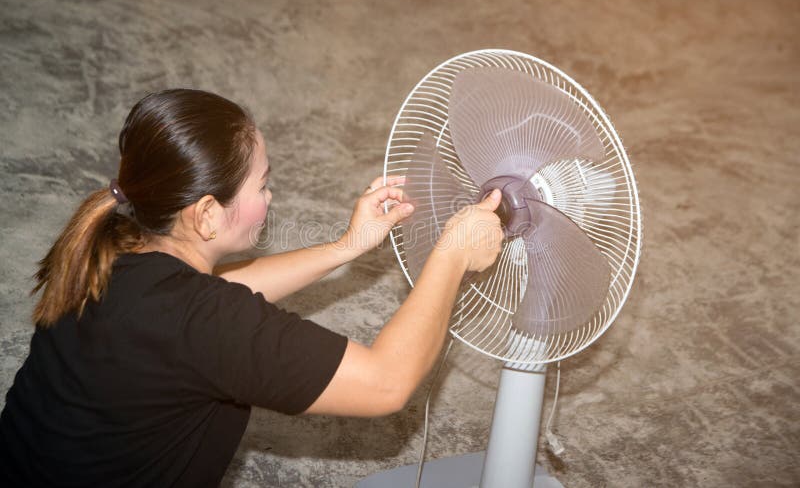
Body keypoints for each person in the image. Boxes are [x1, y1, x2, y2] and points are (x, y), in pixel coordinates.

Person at [0, 89, 503, 487]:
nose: (271, 196)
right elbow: (386, 383)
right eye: (261, 186)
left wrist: (345, 247)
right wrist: (452, 253)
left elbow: (220, 295)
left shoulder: (116, 247)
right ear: (206, 215)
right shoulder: (203, 324)